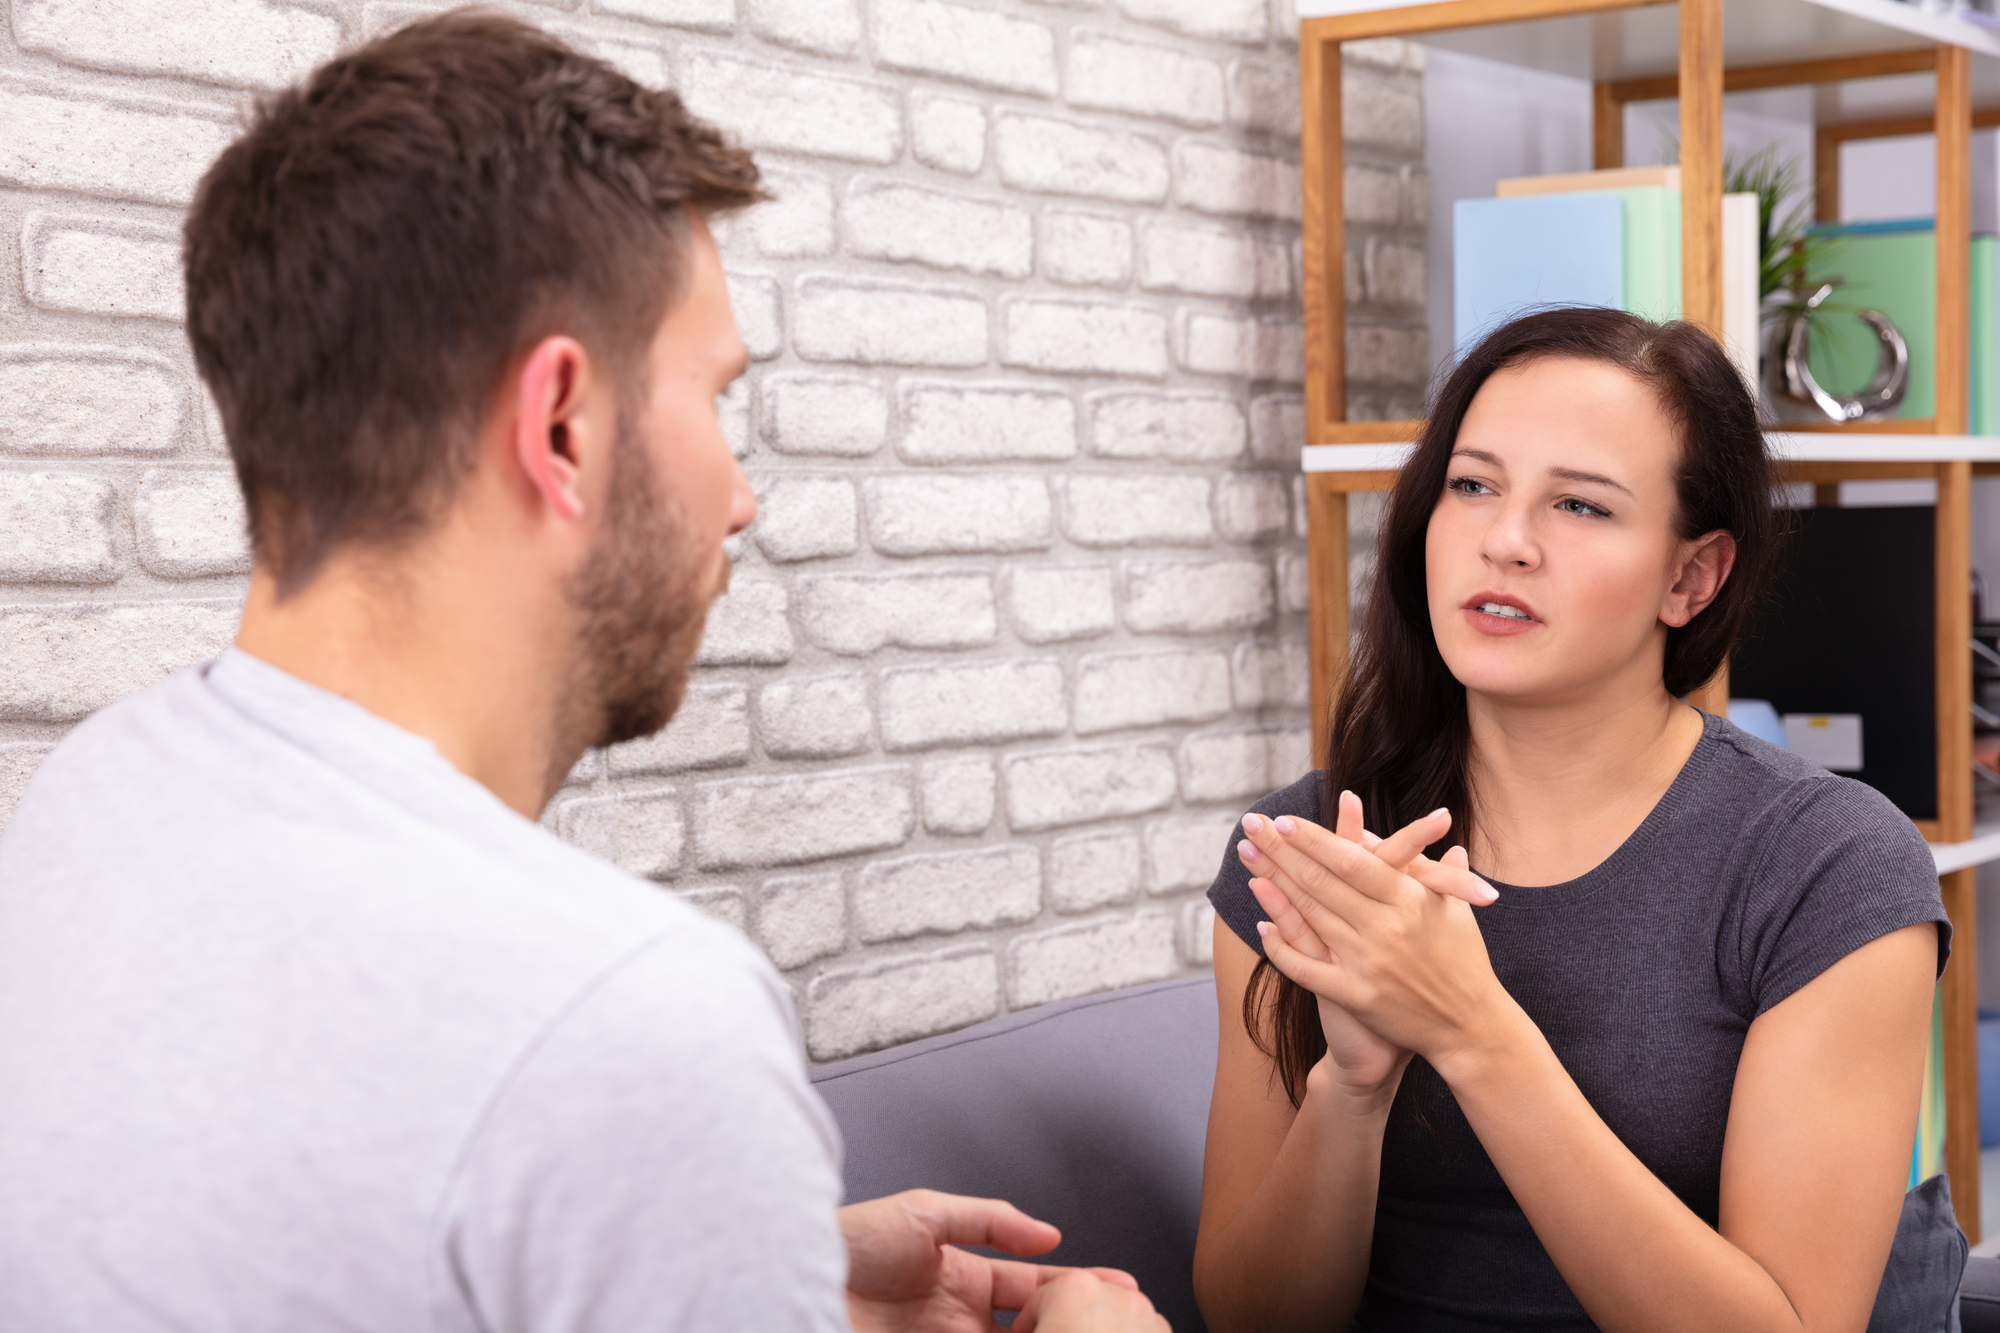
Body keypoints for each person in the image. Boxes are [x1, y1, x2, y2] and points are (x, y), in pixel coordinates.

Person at [0, 14, 1164, 1333]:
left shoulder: (92, 799)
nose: (741, 496)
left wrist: (722, 1260)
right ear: (560, 424)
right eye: (714, 398)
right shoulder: (628, 1022)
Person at [1192, 308, 1953, 1331]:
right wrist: (1351, 1088)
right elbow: (1249, 1319)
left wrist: (1470, 1030)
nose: (1502, 541)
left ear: (1689, 576)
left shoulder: (1825, 865)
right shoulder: (1306, 852)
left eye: (1579, 507)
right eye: (1471, 485)